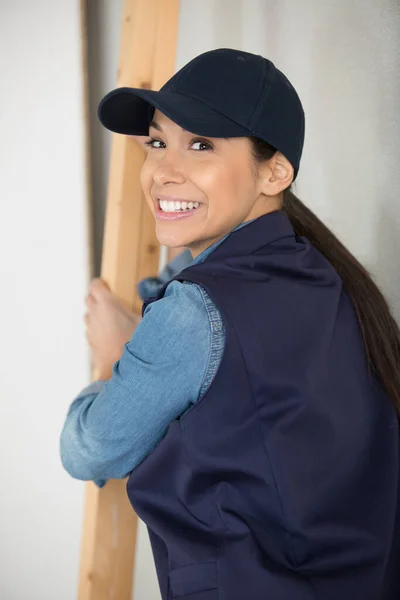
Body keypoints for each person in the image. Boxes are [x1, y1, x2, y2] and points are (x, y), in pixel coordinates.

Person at [60, 49, 400, 599]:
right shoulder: (322, 274)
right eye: (156, 142)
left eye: (201, 145)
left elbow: (90, 450)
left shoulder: (194, 315)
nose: (163, 171)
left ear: (275, 171)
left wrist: (115, 358)